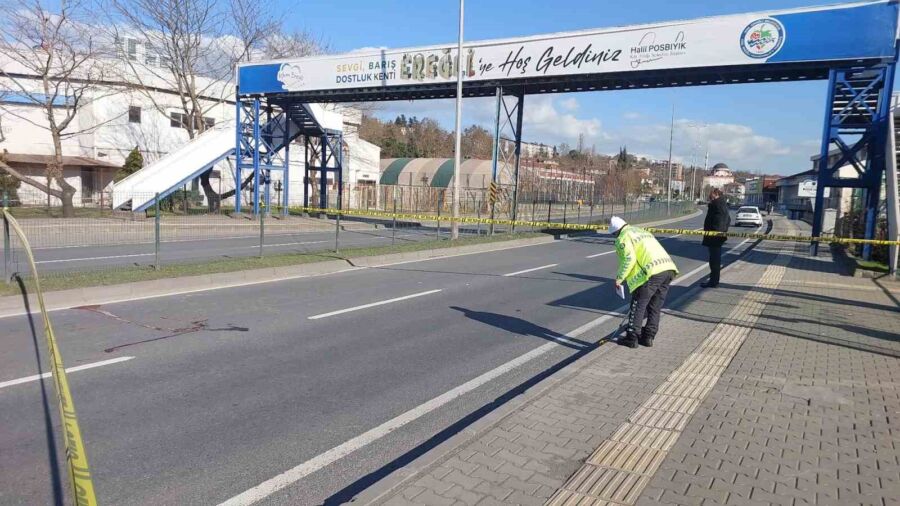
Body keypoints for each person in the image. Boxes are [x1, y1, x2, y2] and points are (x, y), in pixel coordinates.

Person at [610, 216, 679, 348]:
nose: (614, 237)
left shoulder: (623, 237)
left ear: (616, 231)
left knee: (638, 304)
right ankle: (648, 337)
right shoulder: (642, 231)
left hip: (651, 273)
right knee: (655, 306)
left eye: (613, 234)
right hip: (668, 269)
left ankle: (632, 337)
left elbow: (629, 259)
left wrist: (619, 278)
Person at [701, 189, 730, 288]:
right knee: (714, 260)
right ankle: (713, 280)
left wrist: (715, 232)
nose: (710, 197)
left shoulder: (717, 205)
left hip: (715, 237)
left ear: (716, 194)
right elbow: (728, 220)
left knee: (714, 261)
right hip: (716, 236)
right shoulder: (721, 204)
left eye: (711, 195)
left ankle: (713, 282)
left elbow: (721, 221)